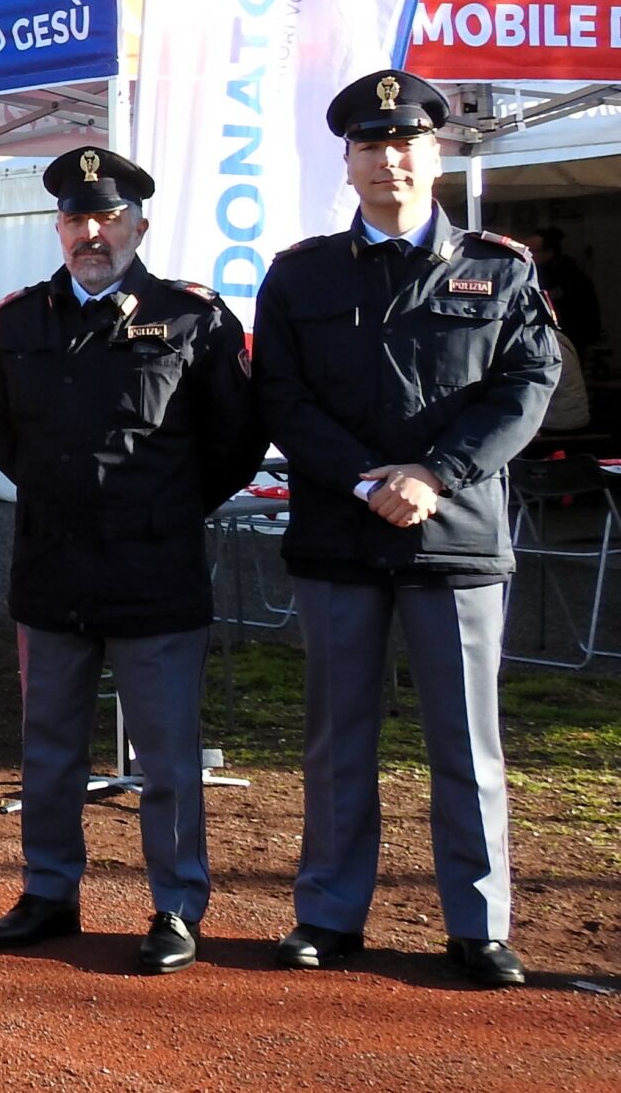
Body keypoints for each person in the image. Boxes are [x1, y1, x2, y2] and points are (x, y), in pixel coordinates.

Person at [254, 68, 557, 987]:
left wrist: (435, 474)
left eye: (405, 140)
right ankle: (330, 912)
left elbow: (527, 387)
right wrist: (364, 479)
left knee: (468, 742)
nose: (389, 157)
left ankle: (479, 922)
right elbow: (281, 395)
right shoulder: (300, 272)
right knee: (339, 739)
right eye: (370, 144)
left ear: (438, 150)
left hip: (454, 538)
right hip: (340, 539)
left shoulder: (502, 268)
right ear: (346, 162)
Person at [0, 147, 266, 974]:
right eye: (75, 217)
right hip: (53, 565)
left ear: (138, 223)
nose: (90, 232)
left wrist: (158, 508)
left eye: (106, 217)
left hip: (155, 568)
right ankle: (49, 889)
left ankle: (176, 903)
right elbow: (8, 440)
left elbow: (234, 443)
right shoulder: (18, 322)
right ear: (57, 226)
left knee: (167, 754)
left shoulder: (194, 320)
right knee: (49, 744)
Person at [527, 226, 600, 348]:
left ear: (549, 252)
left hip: (566, 341)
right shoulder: (538, 275)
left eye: (533, 251)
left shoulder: (569, 279)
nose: (528, 256)